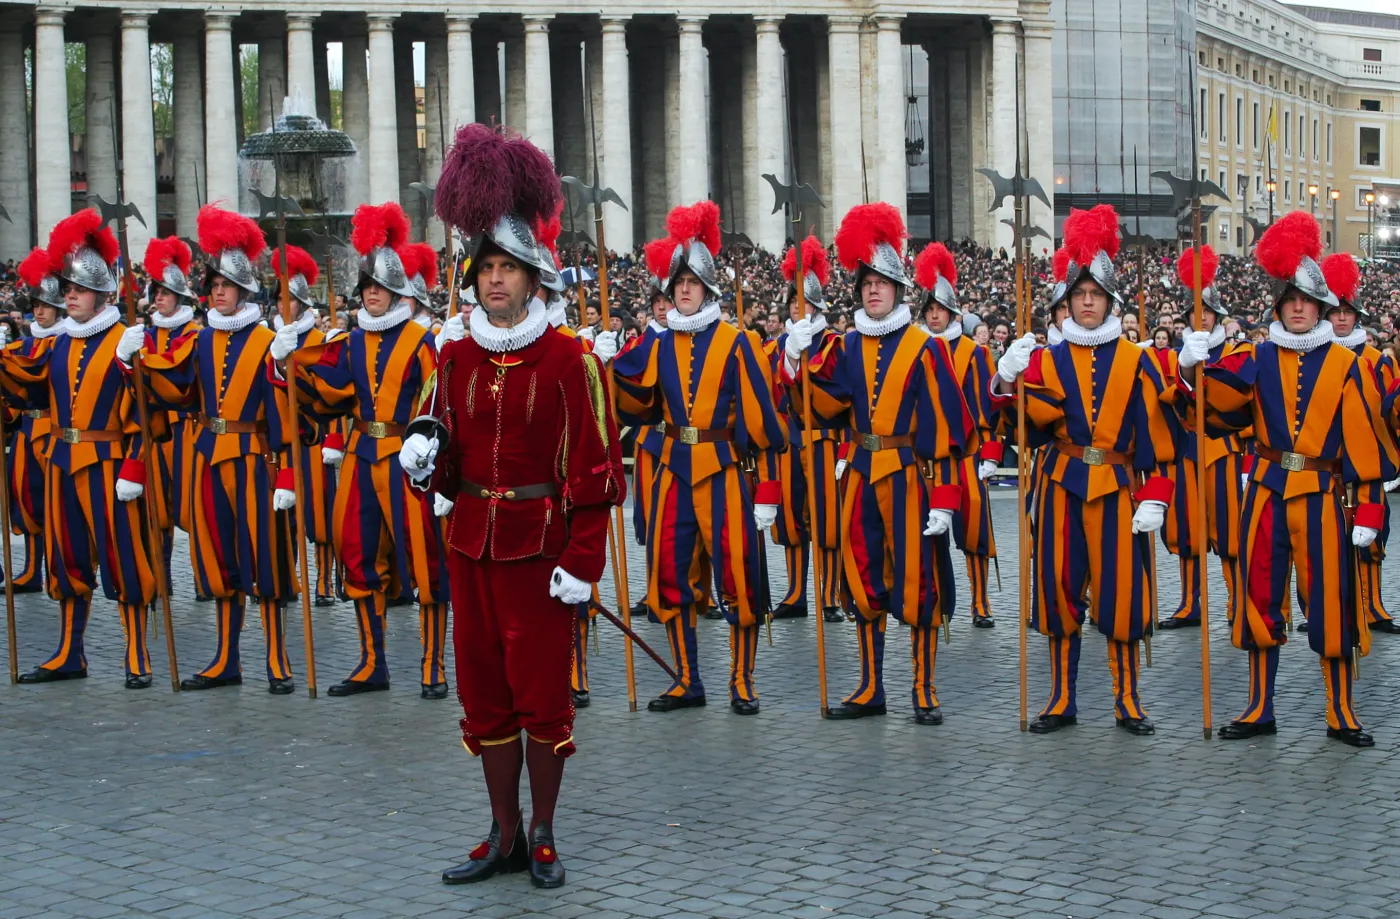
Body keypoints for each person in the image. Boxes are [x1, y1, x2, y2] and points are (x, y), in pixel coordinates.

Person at [402, 123, 625, 887]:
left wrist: (583, 561)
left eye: (509, 268)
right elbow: (446, 450)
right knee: (485, 695)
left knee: (541, 698)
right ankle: (500, 831)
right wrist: (424, 463)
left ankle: (542, 832)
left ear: (534, 278)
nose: (496, 280)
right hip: (471, 544)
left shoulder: (570, 359)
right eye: (486, 268)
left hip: (541, 551)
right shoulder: (454, 352)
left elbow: (596, 470)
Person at [1189, 212, 1395, 747]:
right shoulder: (1255, 357)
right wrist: (1197, 369)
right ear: (1278, 305)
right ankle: (1260, 705)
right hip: (1264, 493)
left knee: (1332, 603)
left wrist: (1370, 513)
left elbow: (1365, 446)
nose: (1298, 308)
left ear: (1323, 306)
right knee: (1259, 597)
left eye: (1307, 300)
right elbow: (1217, 413)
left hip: (1325, 498)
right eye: (1289, 299)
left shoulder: (1348, 367)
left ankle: (1340, 710)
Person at [995, 204, 1176, 736]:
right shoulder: (1045, 358)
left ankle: (1127, 698)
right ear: (1067, 302)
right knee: (1057, 588)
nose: (1088, 302)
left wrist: (1157, 494)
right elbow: (1020, 430)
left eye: (1096, 295)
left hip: (1119, 486)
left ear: (1110, 301)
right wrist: (1008, 383)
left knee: (1122, 592)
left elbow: (1160, 436)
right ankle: (1060, 697)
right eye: (1080, 295)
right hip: (1060, 485)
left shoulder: (1137, 358)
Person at [785, 205, 970, 724]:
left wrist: (948, 500)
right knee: (862, 579)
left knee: (919, 581)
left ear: (898, 289)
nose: (873, 291)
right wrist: (796, 360)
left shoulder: (925, 348)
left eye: (882, 282)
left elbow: (948, 431)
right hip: (862, 474)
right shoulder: (845, 345)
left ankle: (924, 687)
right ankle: (870, 686)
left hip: (910, 476)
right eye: (866, 282)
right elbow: (820, 405)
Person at [613, 201, 787, 715]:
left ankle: (741, 678)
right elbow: (634, 405)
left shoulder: (738, 342)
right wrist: (606, 361)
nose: (683, 289)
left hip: (724, 470)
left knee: (737, 573)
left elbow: (765, 425)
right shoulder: (656, 342)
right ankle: (687, 678)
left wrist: (770, 493)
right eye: (677, 283)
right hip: (671, 471)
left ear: (709, 288)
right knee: (668, 574)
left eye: (692, 282)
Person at [120, 204, 297, 694]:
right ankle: (225, 659)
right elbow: (174, 388)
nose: (217, 291)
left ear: (243, 289)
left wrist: (286, 473)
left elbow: (284, 411)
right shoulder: (197, 341)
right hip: (207, 458)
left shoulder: (267, 340)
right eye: (213, 284)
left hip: (253, 460)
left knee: (266, 556)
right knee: (218, 558)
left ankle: (277, 660)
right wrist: (131, 361)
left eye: (226, 284)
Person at [276, 205, 450, 699]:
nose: (372, 293)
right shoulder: (350, 342)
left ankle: (433, 664)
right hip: (359, 455)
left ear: (397, 291)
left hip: (406, 458)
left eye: (380, 286)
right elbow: (328, 391)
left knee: (423, 558)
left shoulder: (422, 341)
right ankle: (372, 663)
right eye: (366, 286)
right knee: (356, 553)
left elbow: (439, 400)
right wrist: (289, 359)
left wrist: (430, 445)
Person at [2, 210, 158, 687]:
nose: (68, 295)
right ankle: (71, 652)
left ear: (104, 295)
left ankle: (136, 653)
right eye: (66, 287)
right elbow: (24, 381)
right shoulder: (58, 343)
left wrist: (134, 466)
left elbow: (147, 417)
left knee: (124, 557)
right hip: (62, 463)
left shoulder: (124, 340)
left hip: (110, 465)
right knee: (67, 559)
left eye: (79, 289)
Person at [914, 242, 1001, 629]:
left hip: (965, 454)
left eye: (940, 310)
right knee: (929, 532)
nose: (934, 316)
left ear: (951, 312)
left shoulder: (974, 352)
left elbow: (986, 405)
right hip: (928, 457)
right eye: (929, 310)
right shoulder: (914, 350)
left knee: (973, 530)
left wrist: (990, 452)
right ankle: (936, 598)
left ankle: (980, 601)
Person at [1157, 246, 1244, 630]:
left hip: (1225, 450)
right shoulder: (1175, 356)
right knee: (1186, 529)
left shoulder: (1236, 352)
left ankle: (1235, 599)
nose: (1202, 317)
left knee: (1230, 532)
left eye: (1207, 312)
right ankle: (1190, 602)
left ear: (1218, 317)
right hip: (1187, 449)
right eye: (1196, 312)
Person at [764, 236, 845, 624]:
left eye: (805, 303)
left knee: (827, 520)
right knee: (791, 521)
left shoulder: (832, 344)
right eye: (793, 303)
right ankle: (796, 592)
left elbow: (836, 394)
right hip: (789, 443)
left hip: (825, 442)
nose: (799, 309)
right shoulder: (775, 347)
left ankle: (829, 595)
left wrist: (800, 360)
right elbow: (769, 393)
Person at [1320, 251, 1400, 636]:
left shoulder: (1377, 361)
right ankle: (1335, 608)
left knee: (1372, 540)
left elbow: (1392, 412)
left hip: (1367, 465)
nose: (1341, 317)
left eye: (1347, 312)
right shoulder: (1314, 360)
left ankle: (1375, 608)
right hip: (1328, 466)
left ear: (1357, 317)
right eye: (1335, 311)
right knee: (1329, 539)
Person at [268, 245, 338, 608]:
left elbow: (334, 394)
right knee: (284, 513)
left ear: (301, 303)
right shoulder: (273, 342)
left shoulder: (319, 341)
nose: (283, 306)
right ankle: (288, 578)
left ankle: (324, 581)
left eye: (289, 299)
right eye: (279, 299)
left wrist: (336, 440)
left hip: (316, 439)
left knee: (320, 514)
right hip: (283, 440)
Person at [140, 237, 201, 588]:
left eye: (165, 292)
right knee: (156, 504)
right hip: (155, 431)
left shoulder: (193, 333)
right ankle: (161, 574)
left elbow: (176, 371)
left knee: (191, 504)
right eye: (156, 291)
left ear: (179, 297)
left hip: (185, 429)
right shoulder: (146, 334)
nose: (159, 297)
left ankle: (200, 574)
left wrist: (143, 360)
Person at [5, 247, 66, 593]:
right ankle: (31, 569)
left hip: (54, 430)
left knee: (56, 502)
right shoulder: (24, 345)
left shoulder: (65, 343)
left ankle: (59, 566)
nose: (39, 312)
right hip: (27, 429)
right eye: (36, 306)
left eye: (45, 306)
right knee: (25, 499)